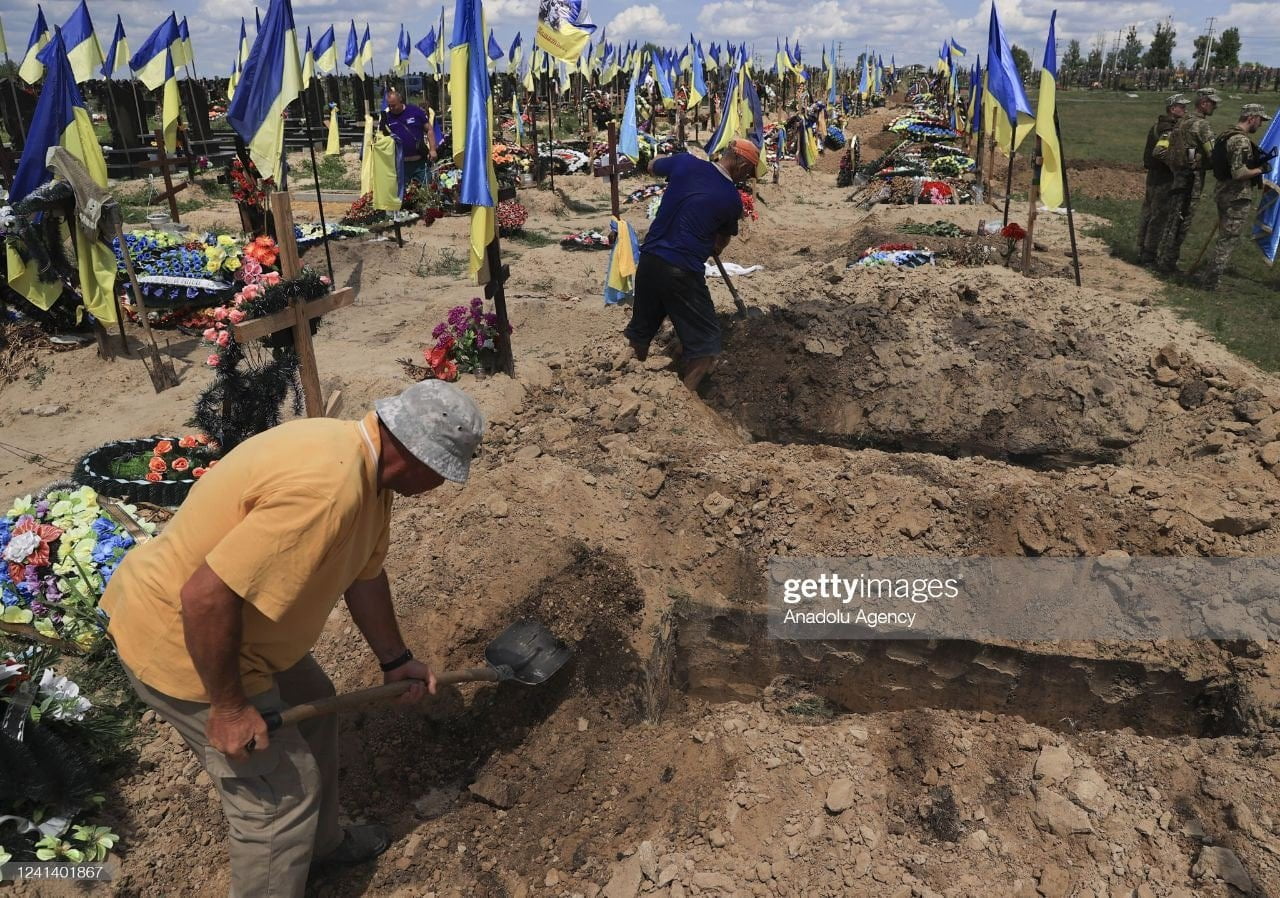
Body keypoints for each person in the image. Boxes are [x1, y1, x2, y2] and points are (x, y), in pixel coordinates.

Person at [101, 380, 485, 897]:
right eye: (442, 472)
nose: (440, 485)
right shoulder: (327, 492)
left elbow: (364, 574)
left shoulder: (364, 465)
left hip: (244, 636)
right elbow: (205, 599)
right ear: (415, 455)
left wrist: (395, 660)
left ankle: (318, 850)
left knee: (316, 706)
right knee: (278, 801)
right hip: (182, 637)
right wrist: (231, 709)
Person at [623, 139, 758, 391]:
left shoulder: (685, 163)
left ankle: (628, 383)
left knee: (640, 333)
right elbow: (718, 246)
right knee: (707, 345)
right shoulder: (731, 199)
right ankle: (686, 404)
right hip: (681, 272)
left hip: (649, 261)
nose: (748, 176)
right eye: (748, 170)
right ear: (739, 163)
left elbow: (653, 165)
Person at [1197, 104, 1274, 290]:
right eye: (1260, 120)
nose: (1261, 124)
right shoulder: (1240, 140)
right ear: (1251, 118)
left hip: (1224, 191)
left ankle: (1209, 276)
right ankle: (1211, 282)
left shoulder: (1226, 135)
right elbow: (1239, 173)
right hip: (1235, 195)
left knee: (1225, 236)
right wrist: (1261, 169)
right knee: (1228, 239)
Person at [1155, 87, 1219, 273]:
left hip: (1178, 175)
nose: (1214, 107)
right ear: (1204, 103)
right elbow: (1213, 153)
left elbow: (1165, 150)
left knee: (1174, 217)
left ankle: (1162, 257)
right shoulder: (1202, 125)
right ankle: (1168, 263)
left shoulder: (1182, 121)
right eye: (1212, 103)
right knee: (1183, 220)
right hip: (1193, 178)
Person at [1138, 94, 1187, 264]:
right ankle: (1149, 253)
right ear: (1173, 109)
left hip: (1153, 175)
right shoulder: (1169, 130)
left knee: (1148, 212)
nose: (1185, 110)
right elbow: (1159, 152)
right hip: (1164, 178)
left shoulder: (1157, 125)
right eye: (1182, 107)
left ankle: (1141, 247)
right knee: (1158, 216)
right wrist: (1175, 163)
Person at [382, 88, 438, 185]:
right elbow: (382, 138)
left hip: (419, 163)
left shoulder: (415, 111)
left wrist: (433, 149)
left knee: (428, 189)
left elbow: (429, 130)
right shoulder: (387, 118)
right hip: (400, 164)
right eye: (389, 106)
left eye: (394, 105)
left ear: (400, 101)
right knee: (402, 194)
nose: (391, 108)